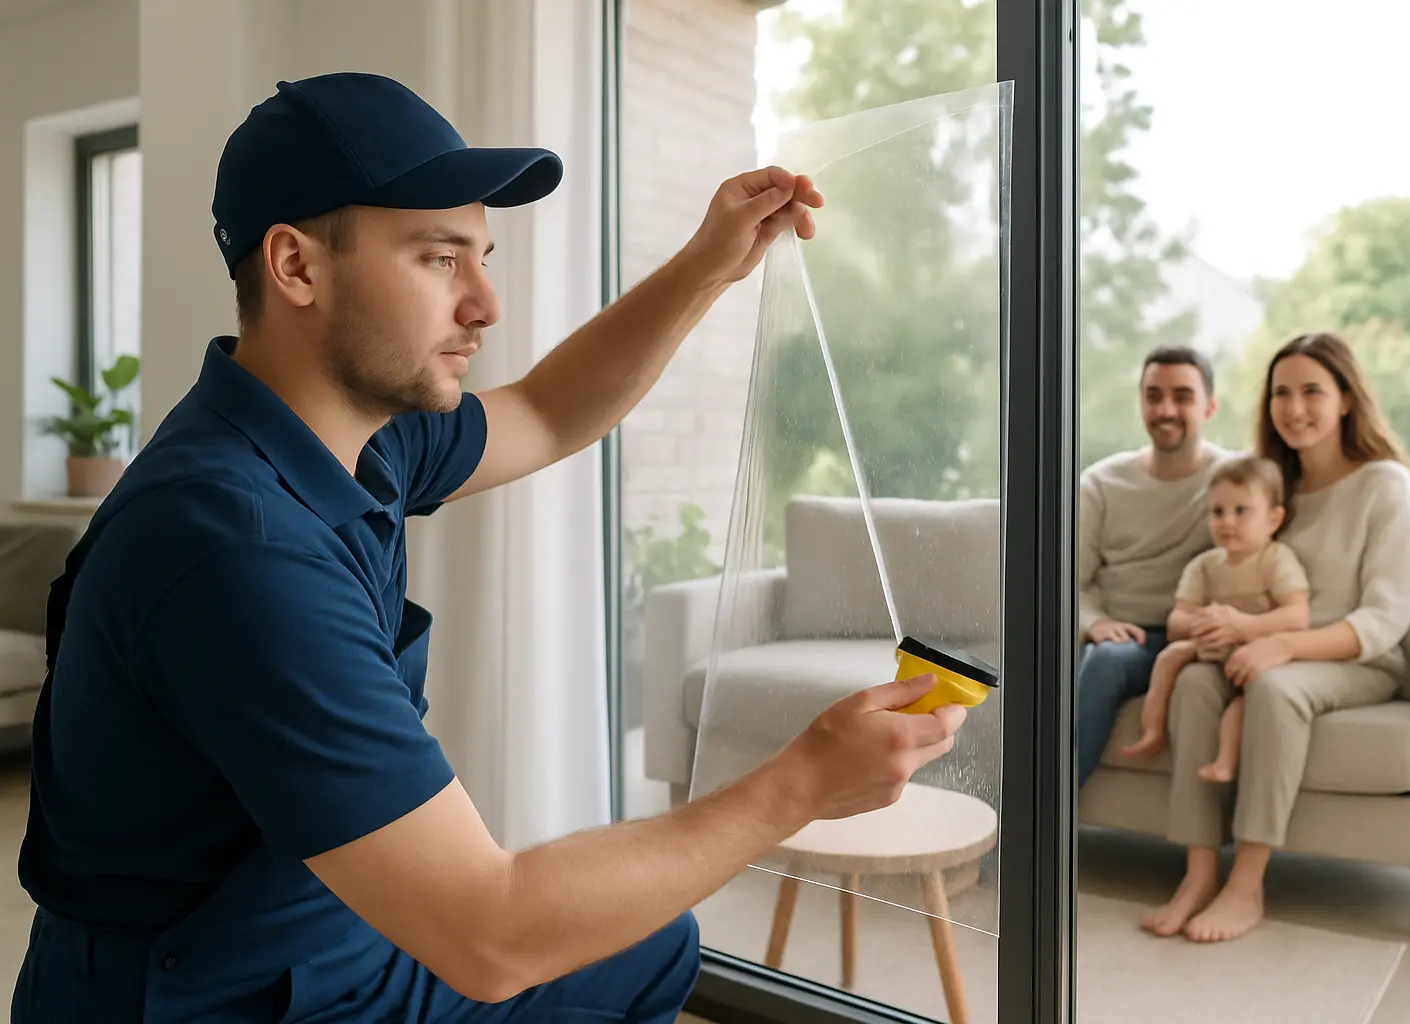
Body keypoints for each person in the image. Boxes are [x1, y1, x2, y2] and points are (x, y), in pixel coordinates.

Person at [11, 73, 968, 1022]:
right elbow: (490, 934)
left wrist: (708, 266)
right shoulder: (236, 552)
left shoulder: (348, 436)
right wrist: (798, 782)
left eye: (483, 257)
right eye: (438, 259)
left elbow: (552, 411)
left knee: (649, 940)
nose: (485, 304)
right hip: (211, 992)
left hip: (329, 931)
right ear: (297, 267)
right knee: (540, 939)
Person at [1144, 331, 1410, 943]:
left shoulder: (1384, 485)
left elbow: (1386, 617)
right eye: (1281, 393)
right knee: (1194, 680)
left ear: (1348, 398)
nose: (1294, 407)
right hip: (1266, 649)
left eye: (1312, 392)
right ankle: (1196, 874)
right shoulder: (1271, 489)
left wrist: (1282, 646)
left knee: (1275, 689)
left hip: (1358, 656)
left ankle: (1247, 884)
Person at [1077, 345, 1230, 788]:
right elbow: (1070, 581)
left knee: (1109, 662)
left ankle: (1037, 821)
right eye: (1154, 395)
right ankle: (1032, 817)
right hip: (1123, 635)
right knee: (1105, 659)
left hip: (1190, 634)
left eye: (1182, 396)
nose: (1166, 409)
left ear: (1209, 406)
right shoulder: (1101, 484)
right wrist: (1094, 621)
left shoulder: (1235, 479)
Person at [1120, 454, 1311, 784]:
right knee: (1169, 655)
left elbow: (1298, 615)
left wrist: (1241, 625)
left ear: (1274, 519)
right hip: (1210, 646)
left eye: (1242, 511)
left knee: (1244, 701)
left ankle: (1224, 761)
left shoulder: (1275, 559)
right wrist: (1203, 625)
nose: (1227, 522)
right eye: (1217, 512)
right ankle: (1152, 728)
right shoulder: (1204, 565)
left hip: (1254, 652)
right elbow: (1176, 621)